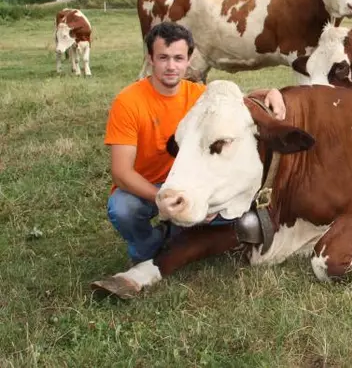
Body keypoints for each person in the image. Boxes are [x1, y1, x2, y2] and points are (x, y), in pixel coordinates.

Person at [104, 22, 286, 264]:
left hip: (191, 182)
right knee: (123, 209)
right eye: (163, 58)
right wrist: (163, 198)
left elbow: (239, 102)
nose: (171, 66)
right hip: (147, 187)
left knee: (239, 211)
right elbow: (121, 173)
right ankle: (148, 246)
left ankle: (178, 234)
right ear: (150, 59)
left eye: (178, 58)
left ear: (189, 59)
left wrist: (270, 92)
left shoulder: (201, 97)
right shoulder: (128, 102)